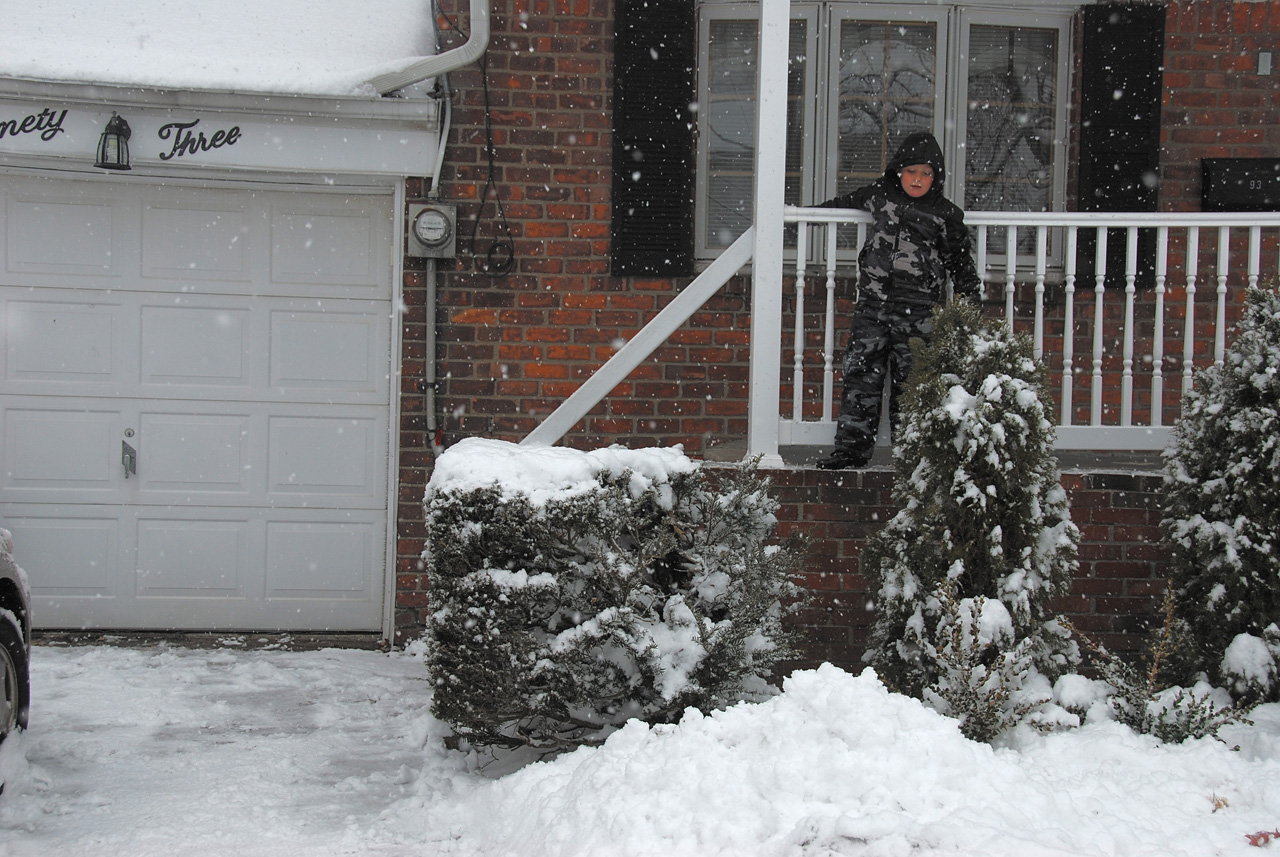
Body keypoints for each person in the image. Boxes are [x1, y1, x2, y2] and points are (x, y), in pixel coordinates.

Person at [814, 131, 982, 470]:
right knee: (861, 378)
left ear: (936, 178)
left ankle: (913, 456)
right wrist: (798, 215)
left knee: (914, 385)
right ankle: (851, 451)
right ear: (898, 171)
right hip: (872, 308)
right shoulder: (879, 195)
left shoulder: (944, 214)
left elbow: (959, 260)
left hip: (918, 313)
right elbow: (842, 204)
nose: (918, 180)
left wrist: (970, 296)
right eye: (911, 171)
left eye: (926, 173)